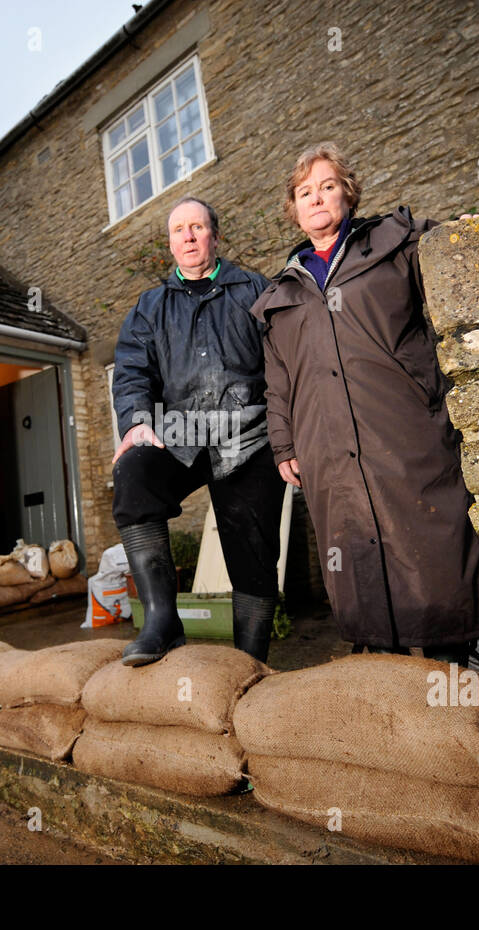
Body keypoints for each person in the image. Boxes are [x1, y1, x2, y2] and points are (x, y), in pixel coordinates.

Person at [250, 142, 479, 666]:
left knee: (425, 542)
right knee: (353, 549)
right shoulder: (281, 296)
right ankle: (383, 672)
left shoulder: (394, 244)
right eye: (304, 192)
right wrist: (283, 444)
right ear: (293, 211)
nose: (316, 198)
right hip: (326, 447)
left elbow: (454, 247)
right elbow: (277, 380)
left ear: (348, 193)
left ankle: (452, 663)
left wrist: (471, 234)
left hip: (403, 429)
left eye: (327, 186)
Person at [111, 197, 283, 666]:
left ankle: (251, 660)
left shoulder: (254, 289)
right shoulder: (150, 306)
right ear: (170, 243)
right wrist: (137, 422)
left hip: (249, 435)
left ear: (214, 236)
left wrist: (288, 436)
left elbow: (285, 365)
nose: (187, 237)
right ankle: (163, 622)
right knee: (134, 474)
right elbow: (131, 371)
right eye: (178, 230)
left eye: (197, 228)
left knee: (254, 544)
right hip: (179, 433)